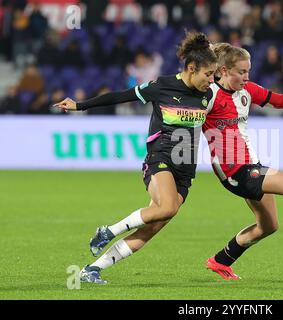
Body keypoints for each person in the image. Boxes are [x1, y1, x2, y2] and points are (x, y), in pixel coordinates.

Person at [53, 32, 217, 284]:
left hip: (186, 168)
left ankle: (91, 270)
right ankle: (108, 231)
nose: (211, 80)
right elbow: (120, 95)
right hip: (160, 159)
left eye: (214, 75)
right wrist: (80, 105)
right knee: (168, 207)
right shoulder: (162, 86)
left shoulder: (206, 95)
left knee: (155, 225)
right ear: (191, 68)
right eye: (208, 74)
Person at [202, 43, 283, 280]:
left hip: (251, 165)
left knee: (268, 226)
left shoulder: (248, 91)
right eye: (241, 72)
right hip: (234, 171)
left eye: (248, 71)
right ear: (223, 70)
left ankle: (221, 260)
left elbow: (281, 100)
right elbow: (185, 119)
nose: (246, 77)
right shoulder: (208, 95)